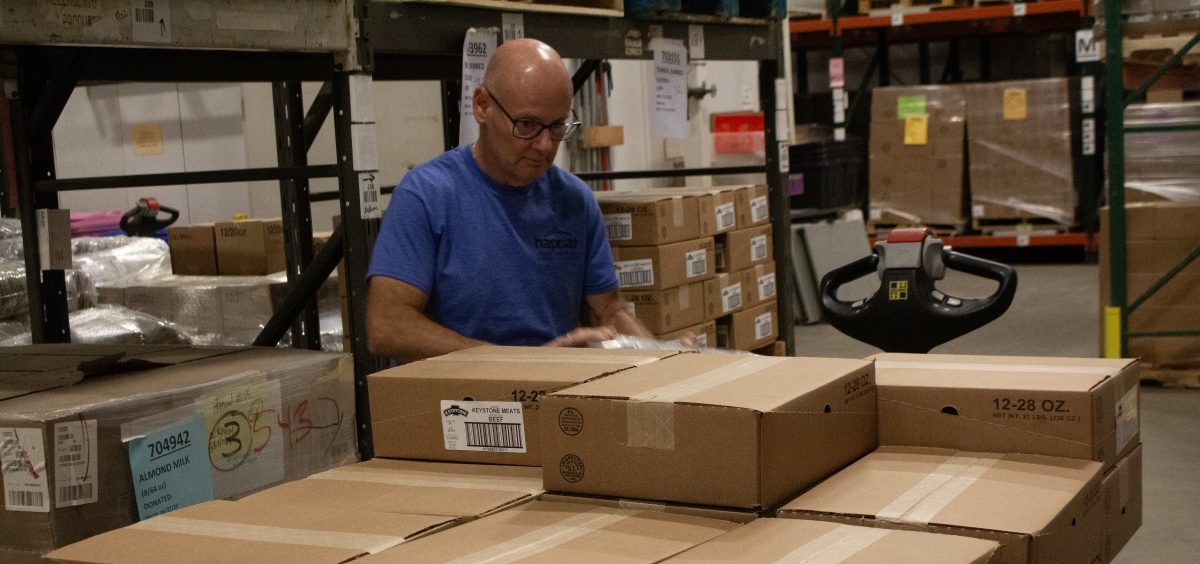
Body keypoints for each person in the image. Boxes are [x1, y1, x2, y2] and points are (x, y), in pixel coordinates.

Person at [365, 38, 652, 363]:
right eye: (527, 125)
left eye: (557, 126)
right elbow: (387, 327)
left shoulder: (575, 201)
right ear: (482, 106)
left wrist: (666, 357)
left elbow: (608, 311)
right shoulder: (427, 196)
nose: (545, 145)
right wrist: (520, 363)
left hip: (553, 394)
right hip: (459, 404)